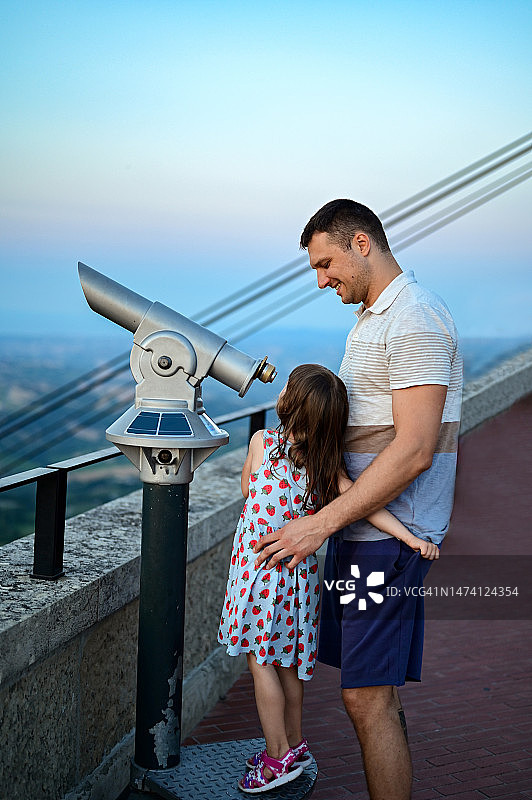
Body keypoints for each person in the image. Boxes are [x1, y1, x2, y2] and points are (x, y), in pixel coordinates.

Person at [254, 200, 463, 800]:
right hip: (361, 529)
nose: (322, 280)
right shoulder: (374, 319)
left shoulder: (416, 318)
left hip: (386, 535)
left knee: (367, 696)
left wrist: (318, 524)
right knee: (366, 693)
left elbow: (415, 449)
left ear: (361, 244)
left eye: (325, 263)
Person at [218, 363, 440, 795]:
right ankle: (296, 745)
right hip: (297, 583)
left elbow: (248, 490)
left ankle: (275, 755)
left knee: (259, 662)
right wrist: (410, 538)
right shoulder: (324, 463)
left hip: (258, 574)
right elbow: (366, 505)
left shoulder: (263, 444)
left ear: (289, 404)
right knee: (288, 666)